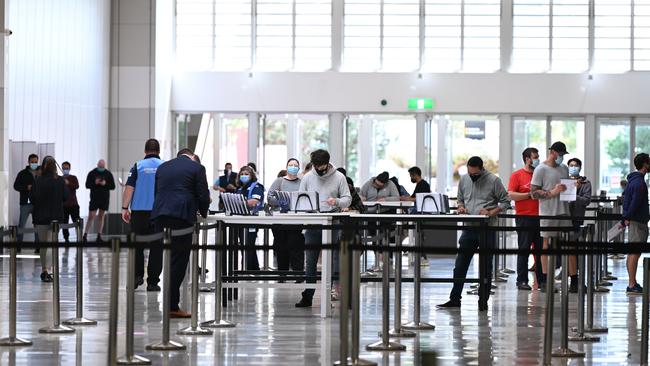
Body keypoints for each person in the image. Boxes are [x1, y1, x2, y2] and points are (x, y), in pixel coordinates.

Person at [437, 156, 509, 311]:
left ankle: (483, 301)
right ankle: (454, 299)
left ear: (481, 169)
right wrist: (461, 207)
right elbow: (461, 199)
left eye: (475, 175)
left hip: (487, 228)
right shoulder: (464, 180)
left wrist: (491, 212)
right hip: (469, 227)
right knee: (460, 265)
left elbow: (505, 201)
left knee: (486, 266)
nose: (472, 177)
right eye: (470, 174)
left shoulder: (494, 180)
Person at [151, 148, 210, 318]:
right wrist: (203, 212)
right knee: (178, 261)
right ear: (192, 156)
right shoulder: (197, 168)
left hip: (160, 214)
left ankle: (170, 302)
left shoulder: (163, 167)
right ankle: (172, 306)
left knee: (168, 258)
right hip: (181, 216)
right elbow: (203, 195)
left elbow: (157, 192)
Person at [295, 149, 351, 308]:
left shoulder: (339, 177)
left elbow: (348, 199)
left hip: (332, 222)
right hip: (312, 222)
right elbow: (301, 199)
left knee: (333, 259)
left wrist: (337, 202)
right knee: (310, 260)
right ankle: (308, 295)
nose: (319, 169)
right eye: (316, 166)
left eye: (322, 166)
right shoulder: (307, 177)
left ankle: (331, 292)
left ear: (328, 163)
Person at [121, 139, 164, 291]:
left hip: (139, 213)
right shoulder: (165, 166)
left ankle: (137, 276)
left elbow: (129, 188)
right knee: (157, 247)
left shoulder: (138, 166)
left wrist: (124, 208)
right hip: (159, 213)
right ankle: (152, 282)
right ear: (158, 151)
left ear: (145, 151)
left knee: (137, 246)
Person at [531, 141, 574, 292]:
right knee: (546, 245)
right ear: (553, 152)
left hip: (564, 212)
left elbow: (566, 187)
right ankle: (545, 279)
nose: (562, 157)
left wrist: (573, 187)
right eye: (560, 154)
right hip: (548, 212)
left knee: (568, 246)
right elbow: (533, 193)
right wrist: (551, 193)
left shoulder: (563, 168)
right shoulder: (540, 169)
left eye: (563, 154)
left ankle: (573, 279)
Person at [508, 147, 544, 291]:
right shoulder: (517, 175)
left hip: (541, 217)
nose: (537, 159)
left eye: (538, 157)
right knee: (524, 249)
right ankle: (521, 280)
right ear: (527, 159)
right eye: (535, 157)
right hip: (524, 217)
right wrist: (529, 195)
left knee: (541, 251)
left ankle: (542, 280)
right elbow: (510, 194)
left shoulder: (541, 174)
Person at [31, 156, 68, 283]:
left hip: (40, 216)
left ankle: (44, 270)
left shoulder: (38, 180)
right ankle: (49, 270)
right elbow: (65, 197)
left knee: (43, 245)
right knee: (52, 244)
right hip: (56, 217)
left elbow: (32, 198)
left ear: (44, 166)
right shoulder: (60, 181)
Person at [268, 158, 304, 272]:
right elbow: (269, 198)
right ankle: (282, 273)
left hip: (296, 220)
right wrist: (281, 202)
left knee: (296, 248)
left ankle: (298, 273)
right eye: (290, 165)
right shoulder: (279, 181)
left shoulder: (302, 182)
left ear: (298, 168)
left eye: (295, 165)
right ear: (286, 167)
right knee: (281, 248)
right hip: (280, 220)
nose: (293, 167)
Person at [622, 153, 650, 295]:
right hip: (638, 222)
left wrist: (626, 217)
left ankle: (632, 282)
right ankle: (632, 284)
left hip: (635, 221)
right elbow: (634, 204)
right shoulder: (639, 183)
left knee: (633, 253)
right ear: (645, 164)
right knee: (634, 253)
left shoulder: (633, 181)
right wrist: (627, 217)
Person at [236, 165, 265, 271]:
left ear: (251, 175)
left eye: (246, 174)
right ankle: (255, 268)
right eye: (242, 174)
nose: (244, 176)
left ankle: (246, 269)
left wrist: (238, 203)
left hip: (251, 220)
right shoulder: (239, 188)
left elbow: (254, 201)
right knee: (247, 244)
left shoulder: (257, 187)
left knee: (248, 244)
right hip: (239, 221)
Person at [84, 159, 115, 241]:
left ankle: (99, 235)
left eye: (103, 166)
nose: (101, 167)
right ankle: (85, 234)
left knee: (101, 216)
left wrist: (105, 184)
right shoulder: (92, 173)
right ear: (97, 165)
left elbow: (113, 186)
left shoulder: (108, 174)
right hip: (94, 198)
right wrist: (95, 183)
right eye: (100, 166)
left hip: (104, 198)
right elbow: (87, 185)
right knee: (91, 216)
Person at [14, 153, 40, 242]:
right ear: (28, 162)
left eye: (36, 162)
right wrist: (26, 187)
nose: (34, 163)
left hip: (37, 203)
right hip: (25, 204)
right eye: (32, 162)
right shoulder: (22, 173)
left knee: (38, 226)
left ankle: (38, 246)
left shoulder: (41, 173)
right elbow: (16, 186)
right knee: (21, 225)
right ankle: (18, 246)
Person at [61, 162, 80, 243]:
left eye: (67, 168)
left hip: (73, 205)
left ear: (69, 168)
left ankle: (79, 238)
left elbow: (76, 186)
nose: (65, 170)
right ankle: (66, 239)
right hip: (63, 205)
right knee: (64, 223)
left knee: (77, 222)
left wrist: (68, 183)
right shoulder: (60, 179)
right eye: (64, 168)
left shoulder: (73, 178)